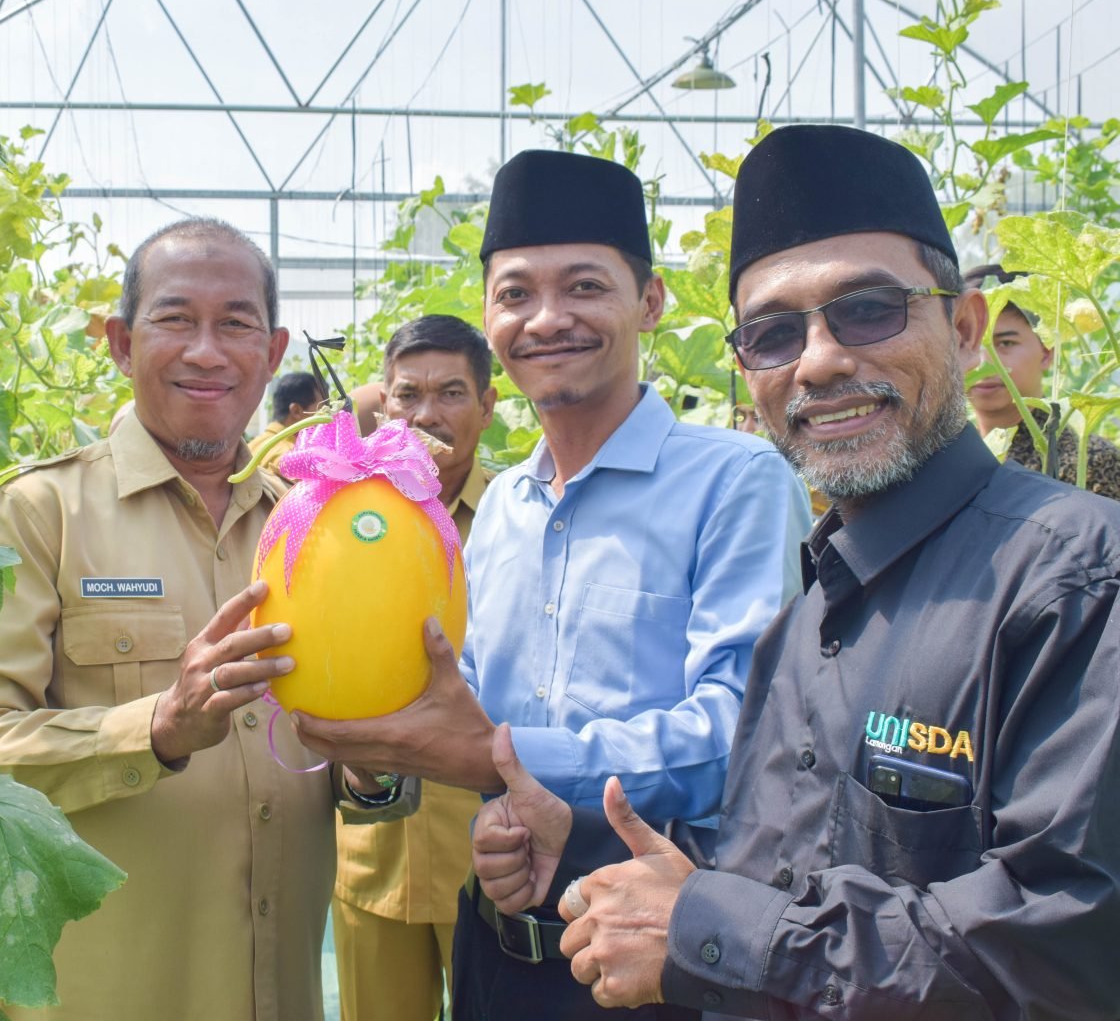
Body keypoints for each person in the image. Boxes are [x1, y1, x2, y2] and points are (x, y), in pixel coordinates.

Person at [474, 125, 1120, 1019]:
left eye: (869, 309)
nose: (821, 358)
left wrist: (708, 928)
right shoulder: (808, 613)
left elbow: (1072, 938)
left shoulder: (1080, 573)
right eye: (772, 334)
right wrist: (584, 853)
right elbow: (779, 875)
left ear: (963, 328)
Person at [294, 149, 811, 1020]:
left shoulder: (738, 482)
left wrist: (506, 759)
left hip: (654, 963)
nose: (547, 319)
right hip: (495, 949)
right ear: (491, 318)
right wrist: (470, 790)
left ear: (649, 303)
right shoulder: (501, 510)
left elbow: (747, 734)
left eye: (584, 287)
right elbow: (484, 717)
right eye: (516, 294)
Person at [0, 217, 416, 1021]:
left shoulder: (313, 528)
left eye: (236, 324)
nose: (207, 351)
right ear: (121, 343)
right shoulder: (38, 514)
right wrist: (155, 729)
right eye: (175, 319)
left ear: (273, 350)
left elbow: (365, 781)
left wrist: (375, 768)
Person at [332, 315, 498, 1021]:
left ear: (489, 405)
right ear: (384, 403)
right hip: (372, 858)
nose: (428, 414)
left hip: (490, 870)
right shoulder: (339, 516)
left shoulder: (518, 518)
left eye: (452, 393)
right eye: (408, 395)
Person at [964, 264, 1120, 520]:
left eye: (1006, 343)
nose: (984, 362)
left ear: (1047, 352)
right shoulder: (943, 462)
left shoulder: (1091, 463)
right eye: (968, 342)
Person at [248, 370, 329, 479]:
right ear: (296, 411)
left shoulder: (251, 446)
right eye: (322, 410)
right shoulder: (292, 459)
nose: (328, 419)